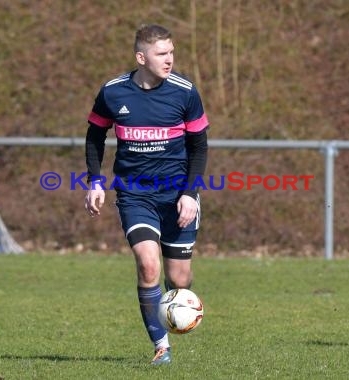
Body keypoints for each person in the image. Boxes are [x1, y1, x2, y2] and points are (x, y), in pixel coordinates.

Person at [84, 24, 209, 365]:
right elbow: (95, 136)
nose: (170, 59)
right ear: (141, 57)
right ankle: (161, 347)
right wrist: (95, 181)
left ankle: (179, 303)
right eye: (161, 54)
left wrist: (190, 193)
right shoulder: (113, 92)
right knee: (147, 264)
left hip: (177, 196)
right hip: (134, 194)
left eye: (171, 52)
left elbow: (199, 147)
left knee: (180, 279)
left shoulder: (185, 92)